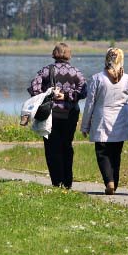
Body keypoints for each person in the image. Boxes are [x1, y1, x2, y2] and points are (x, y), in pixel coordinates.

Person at [28, 43, 87, 189]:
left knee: (51, 148)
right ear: (69, 54)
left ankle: (56, 181)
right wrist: (67, 96)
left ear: (54, 53)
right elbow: (84, 92)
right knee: (67, 146)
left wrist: (46, 96)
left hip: (50, 114)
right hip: (70, 114)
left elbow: (34, 87)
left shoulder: (46, 70)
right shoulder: (76, 72)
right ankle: (68, 182)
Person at [81, 48, 128, 195]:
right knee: (116, 154)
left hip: (102, 119)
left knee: (102, 153)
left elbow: (90, 104)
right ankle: (114, 183)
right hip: (121, 119)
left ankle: (109, 181)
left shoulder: (97, 78)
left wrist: (85, 125)